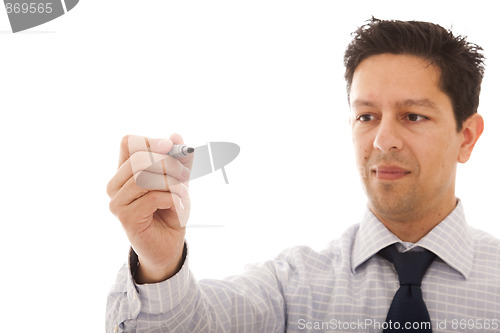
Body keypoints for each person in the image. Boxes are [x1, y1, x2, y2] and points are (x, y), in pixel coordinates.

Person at [105, 18, 500, 332]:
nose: (383, 140)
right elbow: (190, 325)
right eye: (367, 116)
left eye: (413, 116)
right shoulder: (292, 286)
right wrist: (160, 263)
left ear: (466, 137)